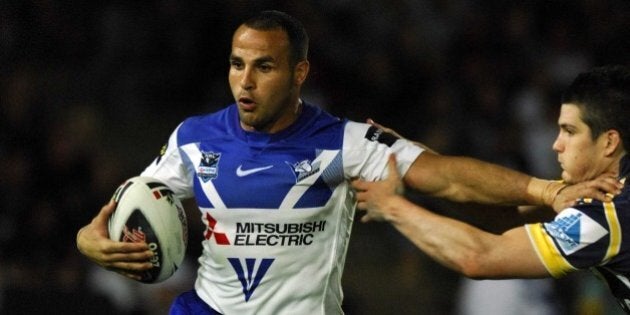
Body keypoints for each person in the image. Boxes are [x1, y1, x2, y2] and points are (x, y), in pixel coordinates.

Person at [76, 11, 619, 314]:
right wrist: (88, 240)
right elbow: (132, 203)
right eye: (237, 65)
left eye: (263, 66)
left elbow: (445, 177)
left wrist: (543, 192)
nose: (245, 80)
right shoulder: (193, 139)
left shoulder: (344, 142)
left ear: (299, 73)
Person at [352, 65, 630, 313]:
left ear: (609, 142)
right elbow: (503, 217)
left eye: (569, 131)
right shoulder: (601, 192)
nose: (556, 144)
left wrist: (391, 206)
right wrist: (415, 164)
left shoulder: (608, 211)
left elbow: (480, 257)